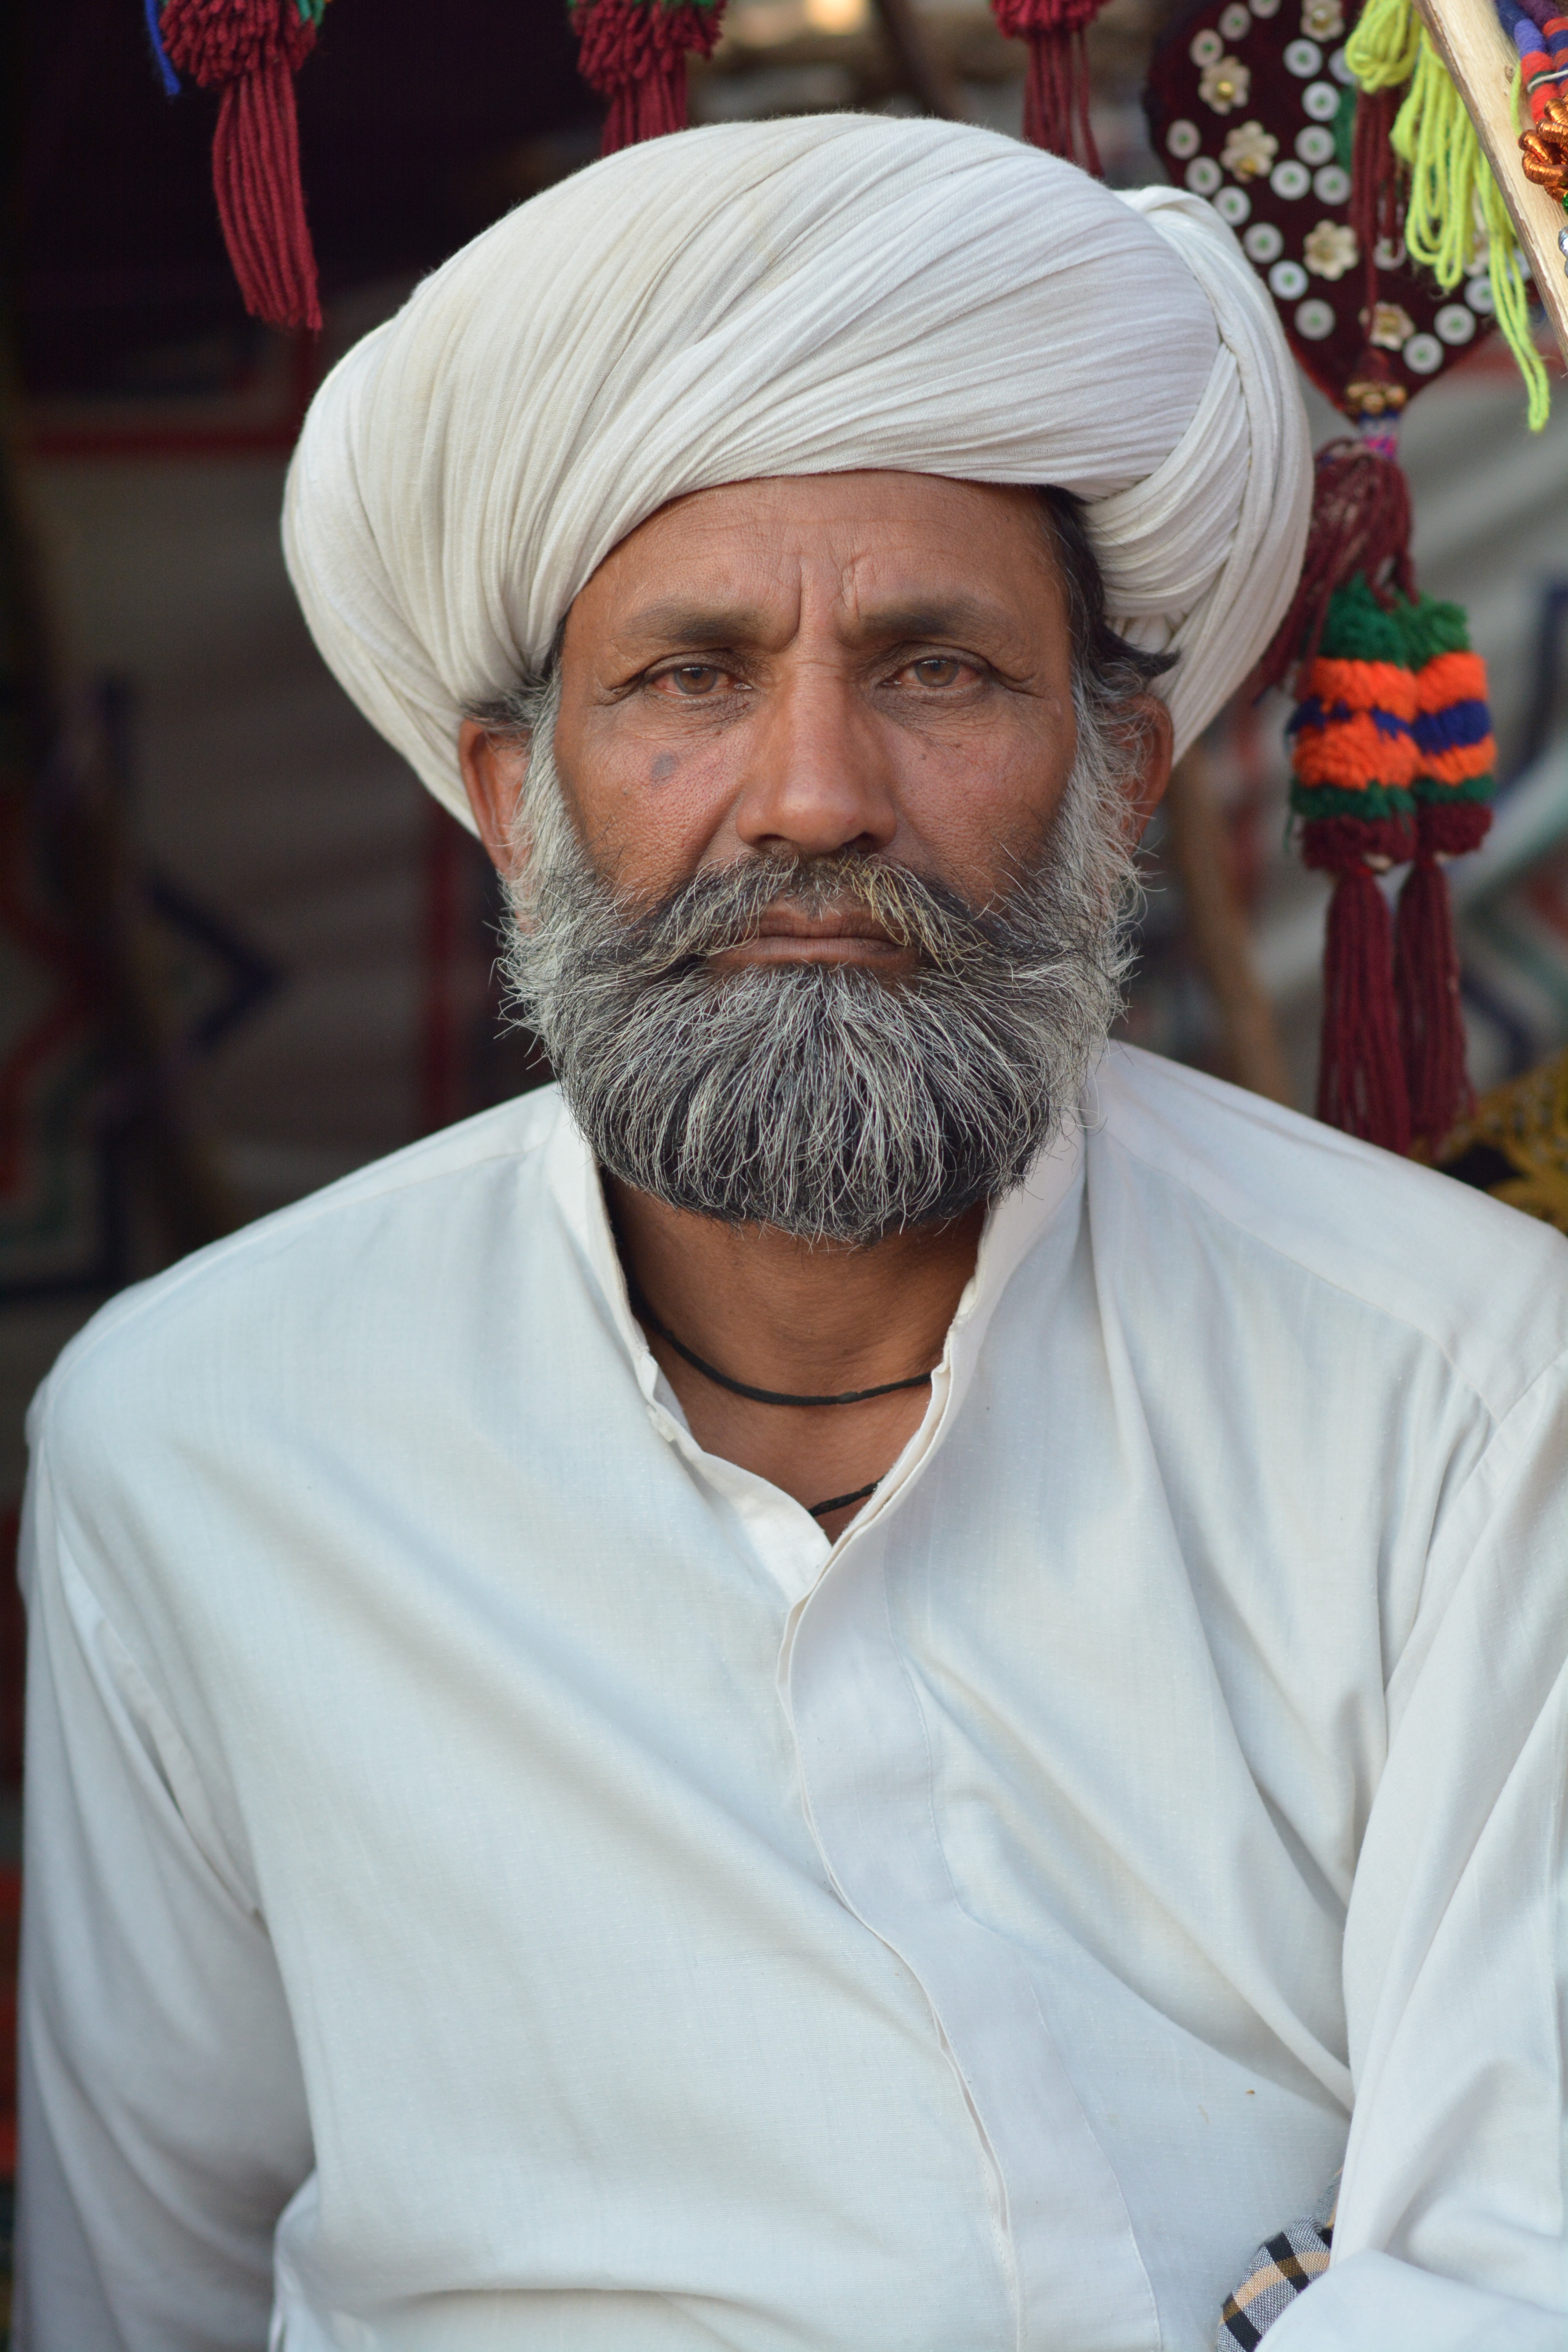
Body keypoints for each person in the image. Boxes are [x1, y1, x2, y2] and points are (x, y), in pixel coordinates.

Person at [15, 114, 1568, 2352]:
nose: (819, 792)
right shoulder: (198, 1442)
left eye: (937, 669)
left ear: (1122, 773)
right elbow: (138, 2291)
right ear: (505, 798)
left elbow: (1518, 2271)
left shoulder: (1456, 1386)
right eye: (691, 678)